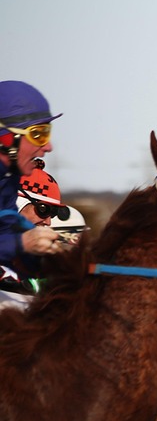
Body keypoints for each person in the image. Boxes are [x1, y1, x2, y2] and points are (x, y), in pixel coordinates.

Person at [1, 81, 64, 282]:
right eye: (38, 135)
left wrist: (60, 267)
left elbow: (5, 231)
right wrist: (22, 243)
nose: (48, 146)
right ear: (7, 138)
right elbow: (14, 242)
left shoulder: (9, 180)